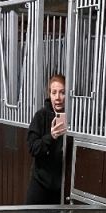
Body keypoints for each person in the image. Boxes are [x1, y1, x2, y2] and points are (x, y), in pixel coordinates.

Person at [25, 74, 66, 205]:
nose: (58, 97)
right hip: (40, 183)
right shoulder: (40, 116)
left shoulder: (74, 118)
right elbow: (33, 148)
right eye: (54, 93)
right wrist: (51, 136)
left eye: (62, 92)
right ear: (49, 94)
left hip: (62, 186)